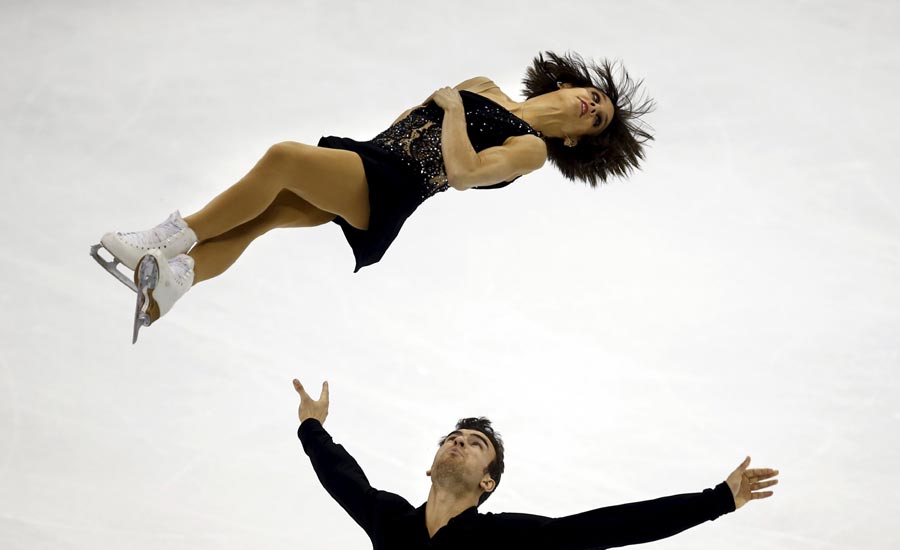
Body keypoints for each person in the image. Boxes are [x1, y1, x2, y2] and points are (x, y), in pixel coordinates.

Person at [89, 52, 654, 342]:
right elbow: (412, 116)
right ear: (569, 84)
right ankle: (166, 289)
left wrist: (454, 111)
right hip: (372, 157)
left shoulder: (529, 148)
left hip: (391, 188)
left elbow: (461, 173)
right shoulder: (487, 85)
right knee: (260, 218)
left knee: (284, 158)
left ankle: (164, 241)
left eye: (597, 118)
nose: (589, 105)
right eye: (592, 95)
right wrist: (391, 137)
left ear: (579, 140)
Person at [292, 378, 779, 550]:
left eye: (475, 443)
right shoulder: (391, 519)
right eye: (452, 438)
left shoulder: (503, 538)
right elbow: (342, 475)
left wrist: (716, 500)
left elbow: (609, 526)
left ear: (489, 483)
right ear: (431, 463)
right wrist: (313, 426)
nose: (459, 441)